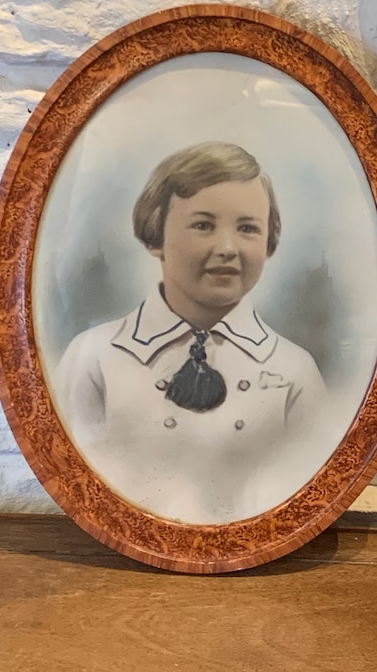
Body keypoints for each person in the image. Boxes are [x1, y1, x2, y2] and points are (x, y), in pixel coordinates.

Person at [55, 142, 333, 524]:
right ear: (156, 237)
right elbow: (78, 483)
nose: (227, 248)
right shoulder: (94, 357)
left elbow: (309, 489)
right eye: (203, 225)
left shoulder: (294, 370)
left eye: (248, 228)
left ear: (269, 243)